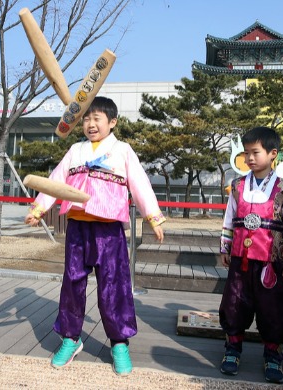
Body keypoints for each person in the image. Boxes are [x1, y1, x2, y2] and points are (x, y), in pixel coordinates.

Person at [24, 96, 165, 376]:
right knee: (72, 283)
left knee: (113, 285)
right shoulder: (75, 150)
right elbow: (56, 179)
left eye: (96, 118)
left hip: (108, 229)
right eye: (86, 119)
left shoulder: (123, 150)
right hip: (77, 227)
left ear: (112, 122)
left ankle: (119, 342)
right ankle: (70, 338)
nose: (90, 124)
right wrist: (39, 208)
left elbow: (140, 183)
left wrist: (153, 217)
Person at [218, 126, 283, 384]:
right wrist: (225, 247)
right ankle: (233, 348)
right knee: (234, 302)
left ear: (273, 153)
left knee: (273, 308)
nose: (250, 158)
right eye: (246, 154)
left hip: (271, 261)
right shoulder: (238, 186)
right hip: (241, 258)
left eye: (255, 152)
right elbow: (230, 218)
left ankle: (273, 354)